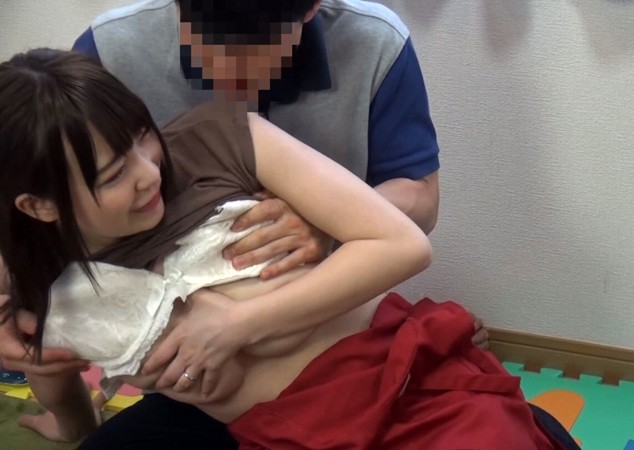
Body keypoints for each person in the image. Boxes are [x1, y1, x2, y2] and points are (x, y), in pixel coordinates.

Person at [0, 49, 570, 449]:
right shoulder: (47, 275)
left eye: (141, 137)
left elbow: (403, 244)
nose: (149, 172)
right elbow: (47, 363)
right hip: (277, 428)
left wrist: (235, 326)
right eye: (113, 176)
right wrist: (72, 421)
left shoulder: (218, 140)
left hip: (390, 376)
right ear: (39, 206)